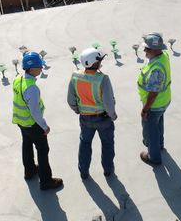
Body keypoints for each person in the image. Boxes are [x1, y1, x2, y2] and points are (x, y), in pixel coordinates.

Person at [12, 50, 63, 191]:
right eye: (40, 66)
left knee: (27, 145)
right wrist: (44, 126)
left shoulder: (18, 80)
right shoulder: (32, 88)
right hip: (32, 124)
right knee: (42, 149)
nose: (42, 68)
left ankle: (29, 171)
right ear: (32, 68)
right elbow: (35, 112)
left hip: (20, 121)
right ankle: (46, 181)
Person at [67, 47, 118, 179]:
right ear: (95, 63)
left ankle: (84, 171)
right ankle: (107, 170)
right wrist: (113, 115)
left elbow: (70, 99)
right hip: (103, 119)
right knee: (107, 144)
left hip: (85, 118)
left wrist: (77, 110)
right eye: (99, 60)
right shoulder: (103, 79)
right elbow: (108, 103)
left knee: (85, 144)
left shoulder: (75, 76)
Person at [137, 33, 171, 166]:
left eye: (147, 49)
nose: (145, 51)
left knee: (151, 131)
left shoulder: (156, 69)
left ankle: (154, 157)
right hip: (164, 101)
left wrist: (145, 109)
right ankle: (160, 145)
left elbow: (153, 93)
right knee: (158, 123)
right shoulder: (163, 56)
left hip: (154, 105)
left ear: (156, 50)